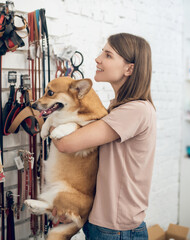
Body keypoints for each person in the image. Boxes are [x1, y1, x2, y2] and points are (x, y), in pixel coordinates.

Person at [50, 32, 156, 240]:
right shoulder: (118, 109)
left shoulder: (135, 111)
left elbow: (65, 144)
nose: (98, 58)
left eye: (108, 55)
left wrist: (46, 115)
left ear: (129, 68)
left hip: (117, 231)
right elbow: (101, 170)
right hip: (103, 224)